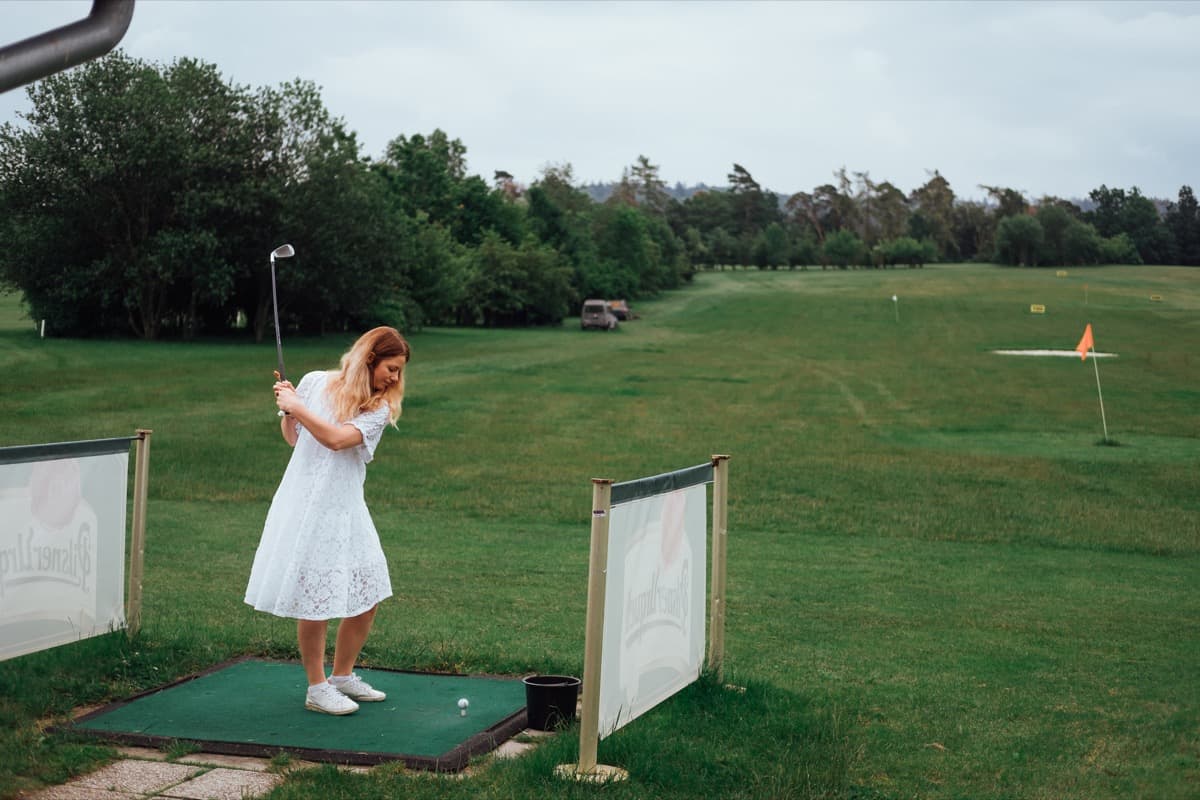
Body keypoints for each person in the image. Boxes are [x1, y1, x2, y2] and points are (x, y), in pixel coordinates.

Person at [244, 326, 411, 715]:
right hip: (307, 505)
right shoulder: (316, 382)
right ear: (368, 360)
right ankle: (317, 686)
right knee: (314, 600)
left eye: (400, 371)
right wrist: (289, 409)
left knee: (368, 594)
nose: (395, 378)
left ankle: (342, 676)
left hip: (346, 505)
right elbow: (294, 438)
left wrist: (297, 406)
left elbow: (336, 439)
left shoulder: (378, 408)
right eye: (391, 368)